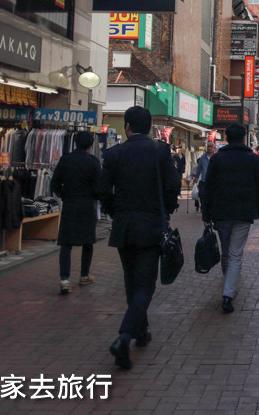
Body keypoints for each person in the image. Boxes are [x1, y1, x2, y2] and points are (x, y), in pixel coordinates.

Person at [96, 106, 179, 370]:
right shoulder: (160, 151)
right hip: (152, 224)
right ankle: (125, 336)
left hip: (124, 225)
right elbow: (172, 185)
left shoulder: (114, 153)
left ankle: (140, 333)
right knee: (145, 286)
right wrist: (165, 208)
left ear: (127, 127)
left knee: (131, 280)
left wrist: (114, 209)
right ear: (150, 126)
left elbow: (102, 189)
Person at [200, 124, 259, 313]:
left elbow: (208, 188)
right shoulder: (252, 159)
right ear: (244, 138)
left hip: (221, 213)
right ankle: (228, 295)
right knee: (235, 254)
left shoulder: (218, 159)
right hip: (244, 213)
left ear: (227, 138)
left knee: (226, 251)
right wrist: (258, 209)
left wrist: (206, 214)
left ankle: (228, 285)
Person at [50, 131, 101, 293]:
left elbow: (55, 183)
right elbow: (99, 186)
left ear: (75, 143)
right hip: (87, 205)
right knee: (88, 242)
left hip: (70, 205)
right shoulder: (93, 162)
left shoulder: (66, 160)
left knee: (66, 244)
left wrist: (64, 195)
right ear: (91, 145)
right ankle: (84, 275)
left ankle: (64, 279)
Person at [190, 141, 217, 212]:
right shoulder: (202, 158)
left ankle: (210, 209)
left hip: (214, 181)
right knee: (202, 195)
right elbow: (199, 169)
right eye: (208, 146)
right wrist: (196, 178)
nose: (209, 148)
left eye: (211, 146)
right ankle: (204, 207)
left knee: (212, 196)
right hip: (204, 180)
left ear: (214, 148)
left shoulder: (216, 157)